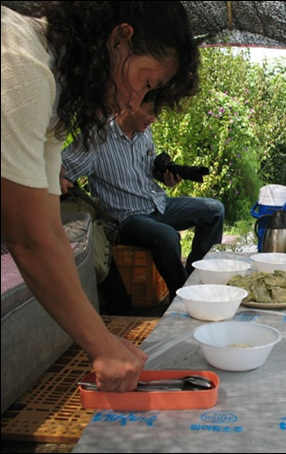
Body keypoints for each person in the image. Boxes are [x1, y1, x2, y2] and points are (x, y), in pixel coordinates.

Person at [1, 2, 199, 392]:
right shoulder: (19, 64)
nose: (132, 103)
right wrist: (100, 344)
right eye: (144, 83)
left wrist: (102, 338)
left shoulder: (55, 105)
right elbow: (28, 238)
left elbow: (51, 231)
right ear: (119, 40)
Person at [60, 91, 225, 306]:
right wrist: (56, 179)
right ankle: (184, 297)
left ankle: (198, 279)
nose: (153, 119)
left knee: (214, 210)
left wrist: (165, 178)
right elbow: (61, 169)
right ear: (133, 104)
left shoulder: (143, 132)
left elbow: (148, 171)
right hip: (126, 218)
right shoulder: (97, 138)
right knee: (166, 236)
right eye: (150, 113)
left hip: (157, 204)